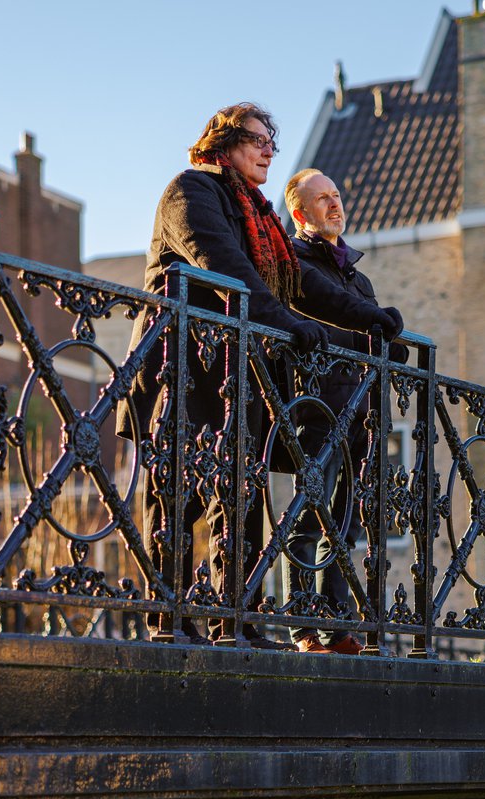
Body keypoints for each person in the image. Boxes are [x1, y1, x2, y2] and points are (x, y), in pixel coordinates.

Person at [117, 104, 399, 649]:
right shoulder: (191, 191)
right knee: (177, 494)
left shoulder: (260, 214)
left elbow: (298, 283)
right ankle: (167, 620)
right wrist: (289, 324)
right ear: (224, 142)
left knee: (240, 496)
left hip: (234, 371)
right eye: (258, 139)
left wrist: (372, 320)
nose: (269, 149)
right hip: (183, 365)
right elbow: (228, 269)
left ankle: (235, 621)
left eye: (273, 141)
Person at [282, 168, 407, 655]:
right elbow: (311, 326)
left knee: (347, 523)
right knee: (309, 514)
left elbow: (375, 342)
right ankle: (302, 626)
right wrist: (368, 338)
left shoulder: (359, 278)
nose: (334, 205)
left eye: (336, 195)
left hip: (361, 413)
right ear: (299, 214)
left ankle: (338, 625)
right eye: (321, 199)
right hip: (318, 404)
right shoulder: (293, 263)